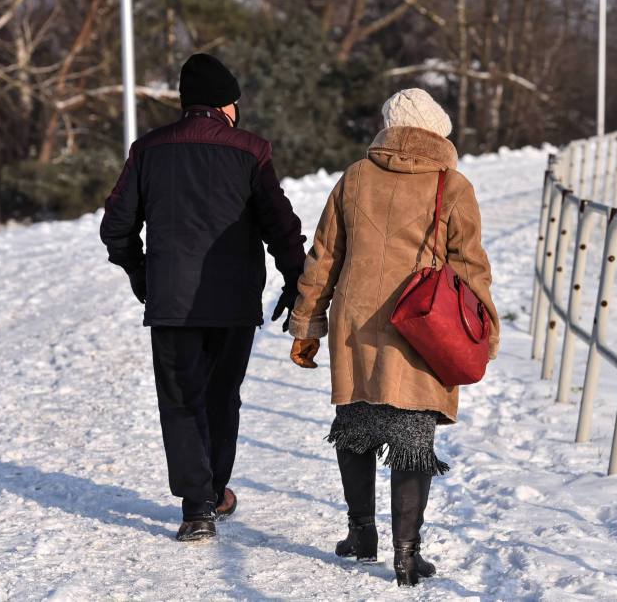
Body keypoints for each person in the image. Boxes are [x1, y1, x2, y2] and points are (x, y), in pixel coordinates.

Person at [287, 88, 499, 586]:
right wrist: (484, 333)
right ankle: (407, 555)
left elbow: (324, 258)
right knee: (410, 439)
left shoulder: (355, 177)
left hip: (355, 321)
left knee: (356, 427)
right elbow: (471, 268)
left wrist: (307, 325)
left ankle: (361, 535)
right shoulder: (453, 185)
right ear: (436, 130)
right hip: (422, 327)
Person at [99, 53, 306, 542]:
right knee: (221, 396)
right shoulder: (251, 150)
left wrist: (140, 271)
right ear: (225, 105)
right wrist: (297, 280)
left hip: (171, 299)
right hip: (234, 300)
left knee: (180, 400)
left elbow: (116, 226)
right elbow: (280, 223)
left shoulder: (148, 149)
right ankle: (214, 490)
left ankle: (197, 510)